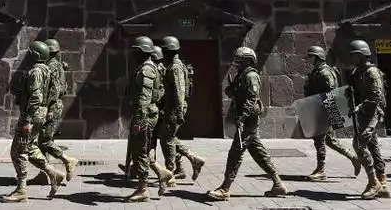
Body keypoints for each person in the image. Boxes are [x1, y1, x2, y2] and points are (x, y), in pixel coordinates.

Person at [206, 46, 287, 200]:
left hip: (248, 119)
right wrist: (231, 89)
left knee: (235, 154)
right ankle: (278, 184)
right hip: (246, 119)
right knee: (258, 153)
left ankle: (225, 188)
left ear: (248, 61)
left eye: (240, 60)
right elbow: (235, 93)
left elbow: (251, 99)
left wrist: (242, 118)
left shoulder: (251, 76)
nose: (237, 63)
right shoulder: (241, 75)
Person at [3, 41, 65, 202]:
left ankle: (21, 189)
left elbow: (36, 96)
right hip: (40, 114)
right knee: (30, 148)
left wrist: (28, 119)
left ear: (36, 55)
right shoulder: (47, 70)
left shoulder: (36, 71)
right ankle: (53, 173)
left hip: (31, 115)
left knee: (17, 152)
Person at [123, 38, 174, 201]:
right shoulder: (146, 67)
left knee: (139, 152)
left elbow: (145, 97)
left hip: (144, 115)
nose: (133, 53)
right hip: (144, 113)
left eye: (136, 50)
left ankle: (143, 189)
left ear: (142, 51)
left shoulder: (146, 70)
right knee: (140, 149)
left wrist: (139, 120)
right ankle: (162, 173)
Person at [302, 45, 360, 181]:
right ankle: (353, 158)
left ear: (318, 57)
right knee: (329, 140)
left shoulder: (325, 73)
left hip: (325, 110)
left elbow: (331, 94)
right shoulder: (317, 71)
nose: (308, 59)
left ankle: (321, 170)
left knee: (320, 140)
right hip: (318, 108)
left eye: (310, 56)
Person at [155, 37, 205, 184]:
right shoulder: (173, 65)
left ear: (169, 50)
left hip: (173, 109)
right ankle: (189, 162)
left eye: (165, 49)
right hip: (172, 107)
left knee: (167, 141)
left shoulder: (175, 67)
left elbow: (179, 90)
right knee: (168, 137)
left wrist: (179, 112)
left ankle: (169, 174)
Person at [346, 40, 390, 200]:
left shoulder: (372, 72)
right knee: (373, 145)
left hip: (372, 112)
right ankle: (383, 183)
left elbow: (376, 95)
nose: (350, 58)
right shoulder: (358, 72)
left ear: (360, 55)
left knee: (359, 143)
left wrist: (361, 106)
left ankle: (373, 182)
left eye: (353, 55)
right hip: (364, 113)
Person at [34, 38, 76, 181]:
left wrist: (50, 108)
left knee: (44, 141)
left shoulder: (53, 66)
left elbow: (55, 90)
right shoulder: (54, 65)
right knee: (41, 140)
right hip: (50, 106)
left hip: (51, 107)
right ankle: (44, 174)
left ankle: (67, 160)